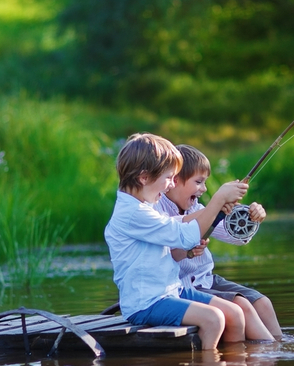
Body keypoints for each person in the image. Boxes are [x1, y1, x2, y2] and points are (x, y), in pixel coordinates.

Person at [104, 133, 272, 350]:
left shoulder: (144, 207)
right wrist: (218, 199)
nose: (170, 185)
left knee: (235, 312)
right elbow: (184, 235)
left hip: (172, 291)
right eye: (168, 178)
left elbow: (179, 232)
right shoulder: (133, 213)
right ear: (144, 178)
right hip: (148, 302)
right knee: (214, 319)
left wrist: (219, 211)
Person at [154, 144, 283, 339]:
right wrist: (216, 204)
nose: (203, 189)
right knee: (242, 306)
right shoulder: (157, 209)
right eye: (198, 182)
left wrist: (250, 217)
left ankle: (280, 347)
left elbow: (234, 237)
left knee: (262, 303)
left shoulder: (196, 206)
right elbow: (174, 227)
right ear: (175, 180)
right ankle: (267, 356)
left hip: (207, 280)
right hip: (182, 287)